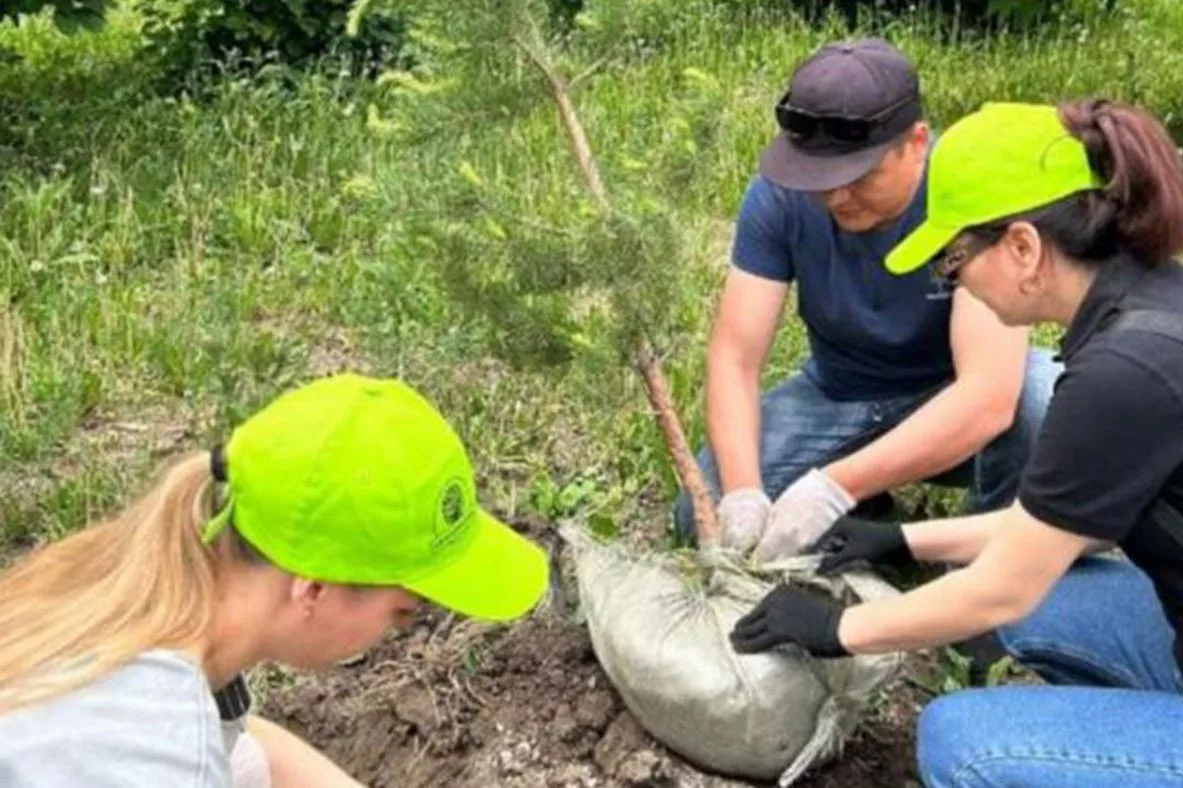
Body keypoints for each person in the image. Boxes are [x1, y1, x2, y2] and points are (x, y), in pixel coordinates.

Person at [726, 99, 1183, 787]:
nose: (953, 282)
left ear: (1022, 247)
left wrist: (836, 629)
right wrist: (901, 542)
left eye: (952, 260)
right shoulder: (1168, 304)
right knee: (1047, 602)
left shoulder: (1125, 373)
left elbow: (1002, 592)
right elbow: (1065, 530)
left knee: (961, 741)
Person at [0, 374, 549, 787]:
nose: (398, 632)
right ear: (314, 590)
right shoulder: (152, 756)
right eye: (402, 613)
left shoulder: (117, 604)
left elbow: (245, 751)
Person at [673, 37, 1059, 559]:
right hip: (839, 396)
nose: (836, 196)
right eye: (819, 177)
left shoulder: (971, 193)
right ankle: (863, 508)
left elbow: (987, 396)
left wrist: (833, 487)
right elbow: (735, 357)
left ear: (917, 143)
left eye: (859, 177)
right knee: (701, 510)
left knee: (1043, 404)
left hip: (949, 397)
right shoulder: (778, 197)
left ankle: (984, 553)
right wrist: (744, 491)